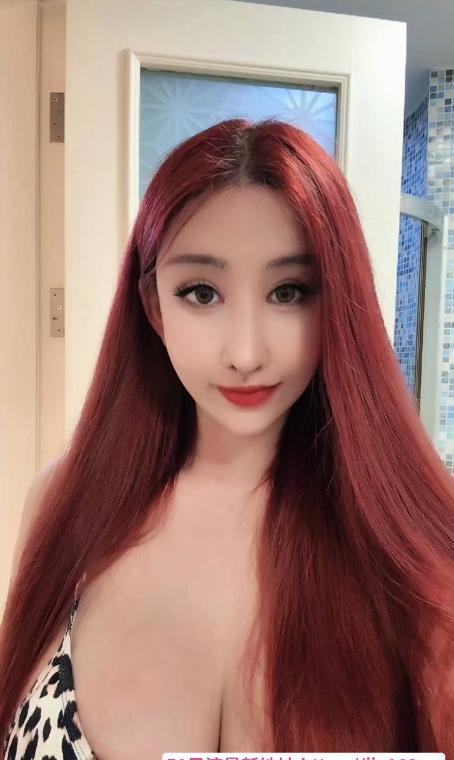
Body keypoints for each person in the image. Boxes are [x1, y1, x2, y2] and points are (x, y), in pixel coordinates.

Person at [1, 117, 454, 759]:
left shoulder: (410, 542)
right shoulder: (62, 503)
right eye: (202, 292)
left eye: (289, 292)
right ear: (154, 308)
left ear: (339, 303)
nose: (245, 353)